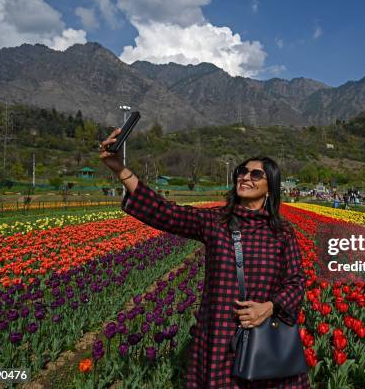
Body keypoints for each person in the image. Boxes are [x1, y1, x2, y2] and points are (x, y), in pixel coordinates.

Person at [99, 129, 310, 388]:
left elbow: (297, 282)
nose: (245, 177)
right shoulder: (216, 222)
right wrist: (120, 170)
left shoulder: (281, 232)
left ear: (270, 187)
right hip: (220, 335)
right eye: (241, 172)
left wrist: (268, 307)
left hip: (265, 337)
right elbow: (166, 213)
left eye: (256, 174)